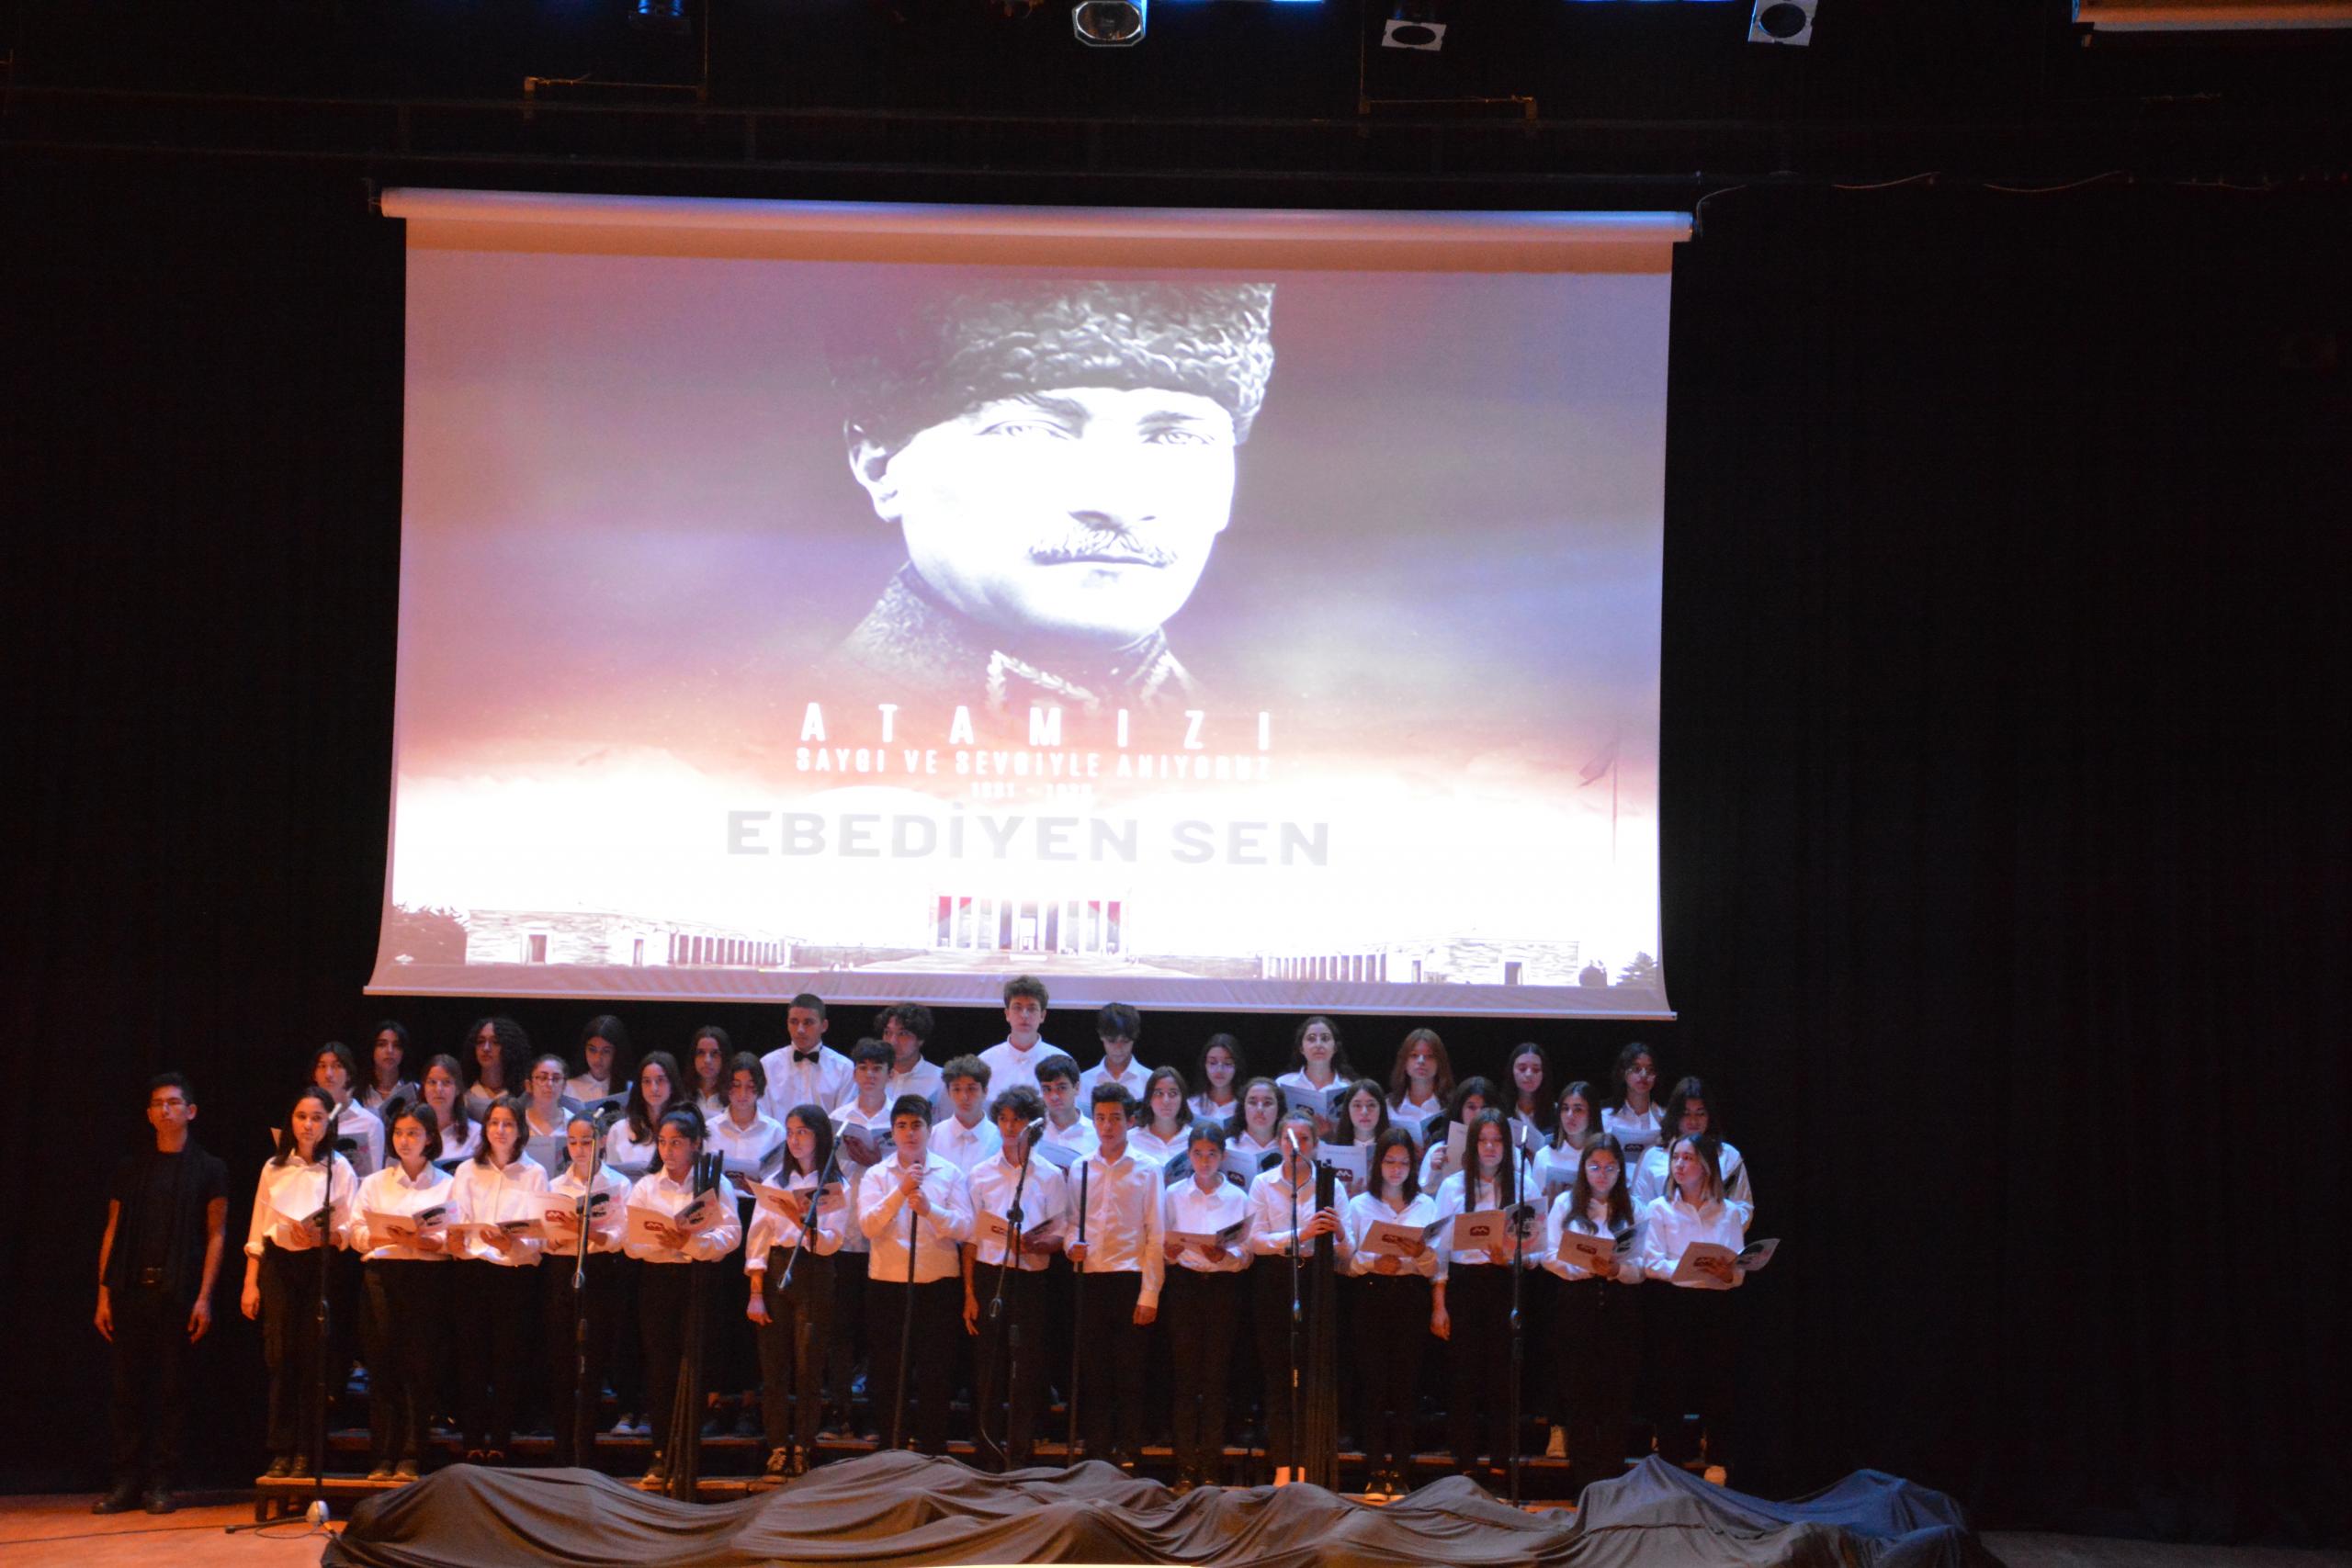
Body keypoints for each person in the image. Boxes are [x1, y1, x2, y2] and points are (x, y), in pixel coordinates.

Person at [824, 279, 1277, 713]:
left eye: (1179, 438)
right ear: (881, 468)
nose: (1120, 504)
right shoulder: (802, 723)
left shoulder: (1278, 754)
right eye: (1030, 431)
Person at [95, 1074, 227, 1515]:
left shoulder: (209, 1168)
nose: (165, 1110)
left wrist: (204, 1297)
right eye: (157, 1104)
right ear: (149, 1114)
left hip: (177, 1292)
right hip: (130, 1289)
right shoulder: (131, 1168)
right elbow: (112, 1230)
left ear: (191, 1111)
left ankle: (161, 1482)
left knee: (171, 1390)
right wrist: (103, 1295)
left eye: (173, 1103)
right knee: (126, 1392)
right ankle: (125, 1482)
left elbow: (216, 1233)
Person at [241, 1087, 356, 1479]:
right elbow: (258, 1229)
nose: (308, 1125)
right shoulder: (274, 1167)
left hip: (319, 1265)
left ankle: (308, 1449)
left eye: (317, 1118)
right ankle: (281, 1448)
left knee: (313, 1358)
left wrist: (327, 1236)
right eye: (302, 1116)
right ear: (291, 1121)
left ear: (329, 1124)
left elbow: (351, 1228)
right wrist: (250, 1283)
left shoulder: (338, 1168)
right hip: (279, 1266)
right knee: (280, 1355)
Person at [625, 1110, 744, 1487]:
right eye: (662, 1142)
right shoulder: (647, 1187)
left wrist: (691, 1243)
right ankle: (661, 1451)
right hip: (658, 1281)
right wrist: (665, 1242)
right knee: (660, 1367)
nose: (668, 1150)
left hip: (698, 1278)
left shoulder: (711, 1183)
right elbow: (630, 1242)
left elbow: (731, 1234)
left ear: (694, 1144)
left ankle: (690, 1450)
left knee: (695, 1363)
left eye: (676, 1142)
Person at [857, 1093, 973, 1455]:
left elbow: (965, 1227)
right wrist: (901, 1192)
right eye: (902, 1126)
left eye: (917, 1125)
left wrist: (931, 1210)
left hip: (937, 1285)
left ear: (929, 1129)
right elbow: (868, 1226)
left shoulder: (949, 1173)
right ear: (892, 1132)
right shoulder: (877, 1175)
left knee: (935, 1371)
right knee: (888, 1371)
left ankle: (932, 1449)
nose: (910, 1133)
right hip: (888, 1284)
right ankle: (892, 1447)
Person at [347, 1100, 453, 1482]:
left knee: (418, 1367)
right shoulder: (375, 1183)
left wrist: (425, 1242)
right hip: (382, 1275)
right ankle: (383, 1455)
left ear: (430, 1139)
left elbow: (453, 1238)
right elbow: (355, 1233)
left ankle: (411, 1454)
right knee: (382, 1365)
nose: (404, 1140)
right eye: (399, 1133)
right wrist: (388, 1235)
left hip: (426, 1278)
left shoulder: (447, 1184)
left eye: (413, 1133)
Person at [962, 1086, 1065, 1471]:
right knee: (987, 1364)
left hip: (1030, 1278)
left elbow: (1061, 1233)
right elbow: (971, 1239)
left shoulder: (1049, 1175)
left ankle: (1021, 1451)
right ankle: (987, 1451)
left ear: (1031, 1124)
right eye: (1003, 1119)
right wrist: (969, 1293)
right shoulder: (981, 1174)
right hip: (991, 1276)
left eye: (1017, 1119)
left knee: (1026, 1365)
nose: (1009, 1126)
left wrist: (1038, 1243)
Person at [1433, 1109, 1536, 1483]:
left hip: (1505, 1283)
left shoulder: (1524, 1185)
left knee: (1502, 1375)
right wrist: (1439, 1303)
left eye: (1497, 1141)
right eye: (1483, 1140)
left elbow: (1537, 1252)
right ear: (1472, 1145)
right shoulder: (1453, 1187)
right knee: (1463, 1375)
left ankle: (1499, 1461)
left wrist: (1509, 1258)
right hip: (1464, 1284)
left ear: (1507, 1146)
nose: (1490, 1148)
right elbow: (1440, 1250)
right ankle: (1464, 1462)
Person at [1639, 1133, 1750, 1476]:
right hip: (1673, 1304)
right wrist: (1687, 1268)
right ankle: (1670, 1460)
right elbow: (1651, 1262)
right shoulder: (1659, 1209)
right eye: (1676, 1158)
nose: (1679, 1165)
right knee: (1670, 1383)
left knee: (1718, 1383)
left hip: (1716, 1306)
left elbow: (1737, 1271)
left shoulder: (1729, 1212)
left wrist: (1727, 1273)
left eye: (1687, 1158)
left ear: (1705, 1166)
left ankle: (1718, 1459)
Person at [1342, 1127, 1444, 1500]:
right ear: (1378, 1165)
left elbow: (1437, 1266)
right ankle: (1374, 1472)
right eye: (1390, 1161)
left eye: (1403, 1162)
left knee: (1405, 1386)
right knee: (1373, 1385)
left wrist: (1420, 1255)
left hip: (1411, 1297)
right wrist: (1372, 1262)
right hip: (1370, 1295)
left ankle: (1400, 1472)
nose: (1397, 1169)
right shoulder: (1359, 1205)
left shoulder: (1426, 1206)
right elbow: (1345, 1263)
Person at [746, 1105, 847, 1479]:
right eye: (790, 1132)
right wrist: (756, 1292)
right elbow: (758, 1240)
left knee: (808, 1364)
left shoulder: (834, 1184)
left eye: (802, 1131)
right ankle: (776, 1444)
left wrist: (803, 1221)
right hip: (778, 1269)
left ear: (819, 1135)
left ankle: (804, 1444)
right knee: (773, 1364)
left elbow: (833, 1242)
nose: (795, 1139)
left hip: (815, 1269)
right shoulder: (776, 1181)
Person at [1065, 1084, 1163, 1467]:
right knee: (1094, 1372)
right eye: (1101, 1118)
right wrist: (1070, 1245)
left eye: (1116, 1118)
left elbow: (1155, 1233)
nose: (1107, 1127)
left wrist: (1150, 1293)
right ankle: (1097, 1452)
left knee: (1130, 1371)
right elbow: (1072, 1221)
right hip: (1090, 1278)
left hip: (1128, 1278)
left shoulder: (1147, 1168)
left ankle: (1130, 1450)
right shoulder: (1080, 1167)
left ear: (1130, 1121)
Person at [1244, 1109, 1341, 1484]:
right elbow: (1255, 1240)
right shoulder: (1263, 1183)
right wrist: (1299, 1236)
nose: (1295, 1146)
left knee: (1313, 1375)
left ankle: (1309, 1463)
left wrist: (1338, 1232)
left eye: (1303, 1139)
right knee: (1278, 1375)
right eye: (1288, 1139)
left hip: (1317, 1280)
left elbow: (1347, 1249)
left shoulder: (1330, 1185)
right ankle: (1283, 1462)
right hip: (1274, 1280)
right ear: (1278, 1143)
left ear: (1314, 1145)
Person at [447, 1095, 547, 1463]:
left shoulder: (534, 1173)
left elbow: (540, 1237)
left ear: (520, 1130)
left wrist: (512, 1244)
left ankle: (501, 1440)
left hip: (514, 1274)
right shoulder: (466, 1171)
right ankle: (473, 1438)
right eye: (493, 1123)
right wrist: (454, 1240)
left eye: (508, 1124)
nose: (500, 1130)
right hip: (472, 1271)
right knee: (471, 1358)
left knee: (508, 1358)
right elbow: (455, 1221)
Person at [1544, 1133, 1645, 1488]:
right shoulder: (1566, 1205)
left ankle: (1613, 1483)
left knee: (1616, 1397)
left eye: (1610, 1167)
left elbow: (1643, 1265)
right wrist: (1582, 1267)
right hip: (1577, 1303)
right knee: (1579, 1395)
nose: (1602, 1175)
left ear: (1620, 1170)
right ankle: (1584, 1484)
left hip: (1619, 1305)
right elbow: (1549, 1254)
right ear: (1583, 1168)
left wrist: (1617, 1270)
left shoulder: (1634, 1208)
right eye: (1595, 1167)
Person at [1159, 1120, 1251, 1492]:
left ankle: (1210, 1465)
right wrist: (1169, 1251)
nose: (1205, 1161)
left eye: (1212, 1154)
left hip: (1222, 1289)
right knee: (1185, 1378)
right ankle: (1184, 1466)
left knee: (1215, 1378)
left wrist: (1225, 1254)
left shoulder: (1237, 1197)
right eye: (1198, 1154)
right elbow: (1162, 1245)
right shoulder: (1174, 1194)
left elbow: (1247, 1252)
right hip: (1184, 1287)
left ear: (1223, 1156)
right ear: (1189, 1155)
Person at [543, 1109, 629, 1469]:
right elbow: (545, 1238)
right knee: (563, 1361)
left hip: (601, 1269)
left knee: (592, 1361)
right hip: (564, 1268)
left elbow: (622, 1235)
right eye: (573, 1142)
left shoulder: (617, 1184)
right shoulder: (554, 1186)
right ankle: (563, 1450)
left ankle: (587, 1449)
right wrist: (560, 1233)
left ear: (602, 1141)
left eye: (587, 1142)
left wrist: (591, 1233)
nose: (579, 1149)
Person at [708, 1053, 788, 1434]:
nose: (742, 1094)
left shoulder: (774, 1130)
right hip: (721, 1219)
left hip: (759, 1220)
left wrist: (754, 1187)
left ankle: (749, 1401)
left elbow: (781, 1184)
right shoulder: (710, 1128)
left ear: (760, 1090)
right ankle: (715, 1399)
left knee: (754, 1314)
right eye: (736, 1086)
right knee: (719, 1311)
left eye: (750, 1087)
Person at [825, 1039, 898, 1438]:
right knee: (840, 1331)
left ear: (889, 1073)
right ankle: (840, 1413)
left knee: (879, 1334)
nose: (870, 1075)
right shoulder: (838, 1118)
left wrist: (878, 1161)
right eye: (863, 1067)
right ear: (854, 1072)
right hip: (843, 1235)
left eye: (877, 1068)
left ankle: (874, 1415)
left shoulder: (899, 1118)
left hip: (884, 1240)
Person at [1633, 1077, 1752, 1211]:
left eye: (1700, 1114)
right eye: (1686, 1114)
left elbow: (1743, 1207)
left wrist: (1718, 1220)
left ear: (1709, 1116)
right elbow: (1640, 1207)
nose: (1693, 1121)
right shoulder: (1653, 1157)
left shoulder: (1729, 1155)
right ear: (1675, 1116)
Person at [761, 995, 852, 1122]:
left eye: (808, 1022)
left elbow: (844, 1122)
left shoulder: (844, 1068)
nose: (800, 1030)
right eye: (794, 1022)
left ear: (824, 1026)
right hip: (780, 1134)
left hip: (828, 1135)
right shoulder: (767, 1065)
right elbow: (763, 1117)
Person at [310, 1041, 386, 1178]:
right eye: (322, 1066)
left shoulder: (370, 1123)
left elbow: (374, 1179)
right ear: (314, 1075)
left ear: (349, 1074)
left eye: (336, 1066)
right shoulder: (308, 1121)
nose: (328, 1074)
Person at [608, 1051, 684, 1179]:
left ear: (672, 1084)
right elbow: (612, 1179)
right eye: (647, 1081)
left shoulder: (685, 1128)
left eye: (660, 1080)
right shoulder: (619, 1129)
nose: (653, 1088)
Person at [1275, 1015, 1356, 1135]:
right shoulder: (1283, 1084)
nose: (1318, 1044)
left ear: (1335, 1047)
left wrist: (1330, 1132)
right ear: (1301, 1048)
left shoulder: (1349, 1088)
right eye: (1311, 1039)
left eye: (1325, 1038)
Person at [1418, 1076, 1498, 1190]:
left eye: (1485, 1108)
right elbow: (1424, 1194)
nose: (1478, 1114)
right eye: (1471, 1107)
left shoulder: (1508, 1149)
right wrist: (1433, 1171)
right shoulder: (1439, 1150)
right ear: (1460, 1110)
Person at [978, 976, 1053, 1097]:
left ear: (1042, 1016)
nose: (1024, 1015)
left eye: (1032, 1009)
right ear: (1007, 1014)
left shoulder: (1060, 1060)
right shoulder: (985, 1062)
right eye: (1017, 1008)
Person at [930, 1055, 1001, 1175]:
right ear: (948, 1092)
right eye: (957, 1089)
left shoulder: (999, 1138)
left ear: (985, 1092)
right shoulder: (932, 1136)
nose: (964, 1097)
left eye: (972, 1089)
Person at [1532, 1080, 1600, 1202]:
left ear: (1592, 1114)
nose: (1570, 1115)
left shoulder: (1603, 1156)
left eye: (1578, 1109)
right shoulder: (1544, 1156)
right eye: (1565, 1108)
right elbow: (1535, 1207)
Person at [1602, 1043, 1663, 1168]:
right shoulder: (1605, 1117)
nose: (1644, 1075)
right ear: (1623, 1072)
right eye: (1636, 1069)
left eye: (1650, 1070)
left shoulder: (1664, 1118)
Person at [1034, 1053, 1100, 1165]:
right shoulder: (1031, 1132)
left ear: (1077, 1088)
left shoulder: (1097, 1134)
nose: (1054, 1096)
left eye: (1061, 1088)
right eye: (1047, 1089)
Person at [1386, 1028, 1453, 1136]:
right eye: (1414, 1055)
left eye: (1429, 1056)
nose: (1421, 1061)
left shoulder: (1453, 1106)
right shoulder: (1388, 1106)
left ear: (1440, 1063)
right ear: (1404, 1062)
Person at [878, 1004, 945, 1112]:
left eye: (902, 1034)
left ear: (920, 1039)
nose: (892, 1041)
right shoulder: (873, 1076)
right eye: (887, 1032)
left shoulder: (940, 1079)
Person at [520, 1053, 580, 1173]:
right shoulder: (518, 1122)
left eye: (556, 1079)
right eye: (542, 1078)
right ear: (529, 1085)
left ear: (564, 1085)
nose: (549, 1084)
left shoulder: (574, 1123)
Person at [1332, 1079, 1391, 1200]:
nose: (1364, 1112)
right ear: (1347, 1110)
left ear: (1381, 1109)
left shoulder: (1393, 1147)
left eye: (1371, 1105)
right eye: (1357, 1105)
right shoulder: (1333, 1151)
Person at [1078, 1003, 1150, 1100]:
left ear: (1134, 1039)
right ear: (1101, 1036)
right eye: (1111, 1041)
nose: (1118, 1048)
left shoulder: (1150, 1081)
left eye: (1125, 1041)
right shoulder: (1084, 1082)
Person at [1128, 1066, 1192, 1172]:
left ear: (1182, 1099)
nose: (1166, 1101)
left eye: (1173, 1094)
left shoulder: (1195, 1140)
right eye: (1159, 1093)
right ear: (1149, 1099)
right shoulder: (1129, 1140)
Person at [463, 1017, 531, 1117]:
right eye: (480, 1041)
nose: (486, 1048)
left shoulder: (524, 1096)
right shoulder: (463, 1096)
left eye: (495, 1042)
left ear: (510, 1047)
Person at [420, 1055, 481, 1166]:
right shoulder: (411, 1131)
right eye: (432, 1082)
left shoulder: (476, 1134)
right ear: (424, 1088)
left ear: (458, 1089)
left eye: (446, 1082)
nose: (438, 1089)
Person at [568, 1015, 631, 1107]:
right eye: (592, 1050)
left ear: (617, 1052)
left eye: (606, 1051)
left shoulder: (630, 1089)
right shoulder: (568, 1087)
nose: (598, 1058)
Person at [360, 1022, 420, 1113]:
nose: (390, 1050)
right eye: (382, 1044)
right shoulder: (356, 1093)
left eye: (396, 1045)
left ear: (403, 1052)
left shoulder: (416, 1091)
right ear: (372, 1050)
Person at [1228, 1078, 1285, 1168]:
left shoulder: (1290, 1148)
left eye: (1267, 1103)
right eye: (1253, 1102)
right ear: (1243, 1108)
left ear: (1279, 1110)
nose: (1260, 1109)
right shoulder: (1228, 1148)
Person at [1505, 1043, 1555, 1144]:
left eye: (1536, 1070)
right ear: (1511, 1071)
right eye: (1522, 1069)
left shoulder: (1557, 1112)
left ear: (1544, 1074)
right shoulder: (1499, 1110)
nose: (1529, 1074)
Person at [1189, 1033, 1242, 1124]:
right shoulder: (1190, 1107)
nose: (1219, 1070)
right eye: (1212, 1063)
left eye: (1227, 1063)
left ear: (1237, 1066)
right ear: (1204, 1065)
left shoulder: (1245, 1107)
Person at [687, 1025, 735, 1121]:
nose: (707, 1060)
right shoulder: (683, 1094)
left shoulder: (734, 1095)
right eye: (701, 1053)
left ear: (725, 1058)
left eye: (714, 1053)